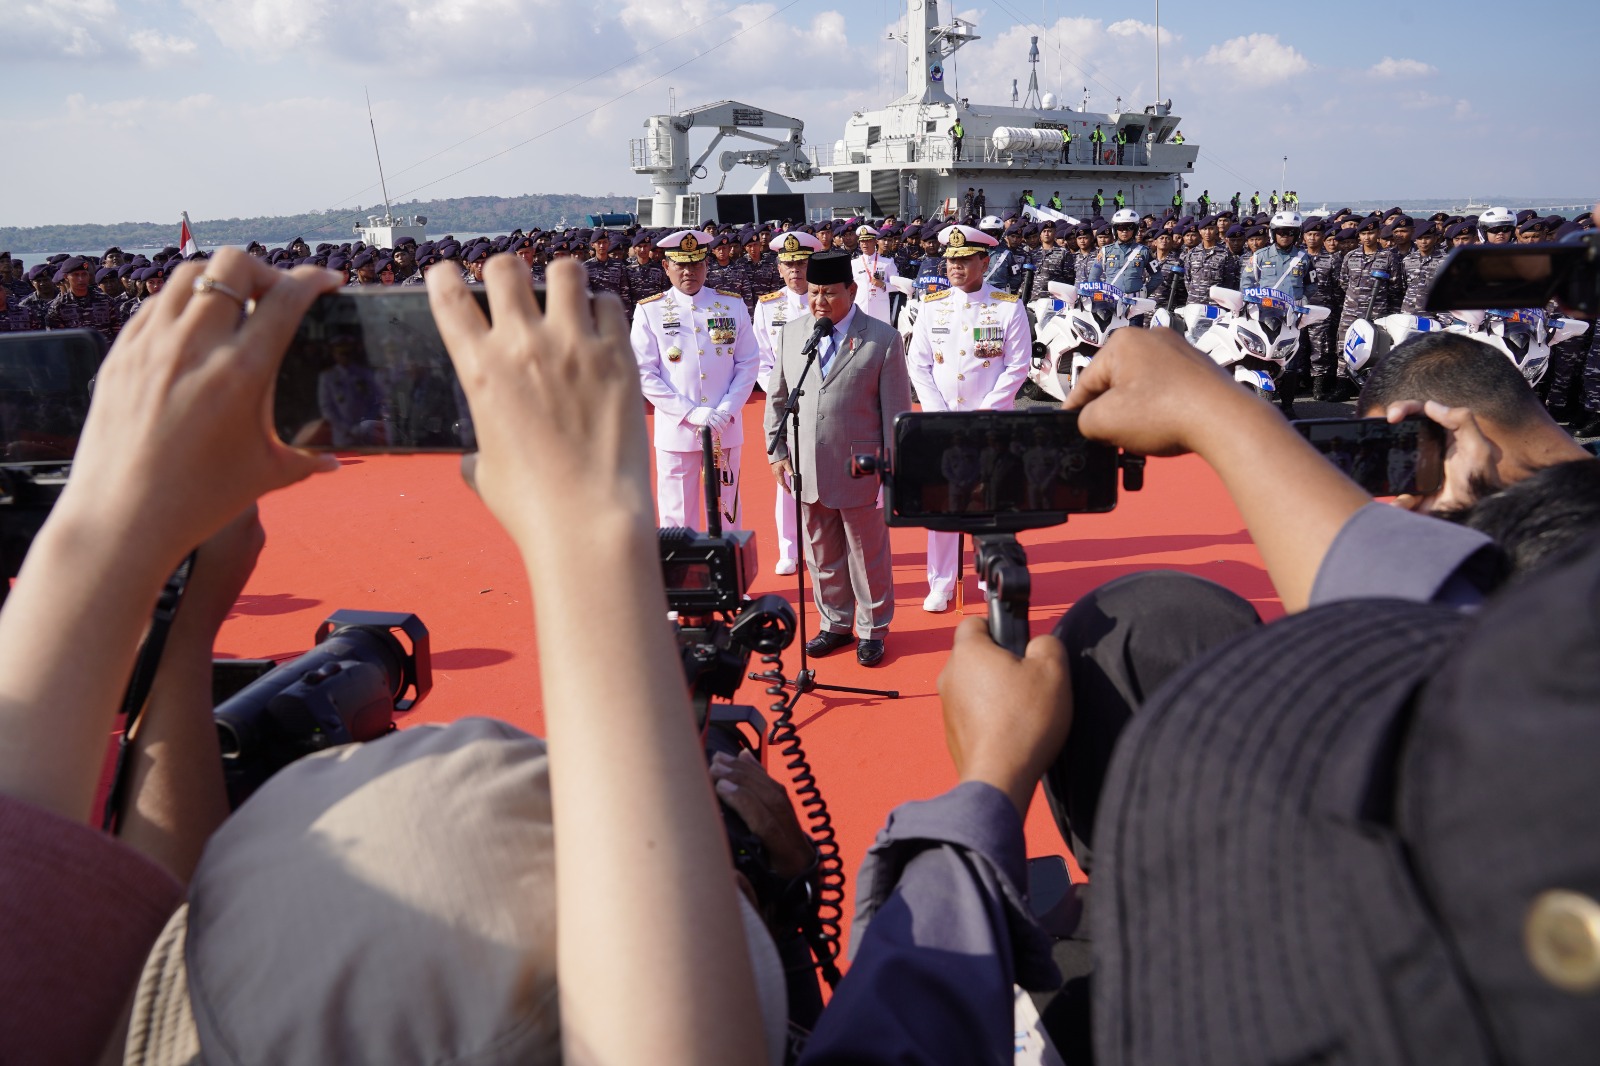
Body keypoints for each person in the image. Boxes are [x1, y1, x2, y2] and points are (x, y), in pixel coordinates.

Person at [762, 251, 912, 667]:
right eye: (813, 293)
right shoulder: (794, 334)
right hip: (806, 462)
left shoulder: (881, 338)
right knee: (820, 551)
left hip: (861, 464)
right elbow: (777, 398)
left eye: (829, 293)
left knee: (867, 553)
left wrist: (889, 469)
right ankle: (835, 623)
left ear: (852, 290)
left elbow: (896, 412)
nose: (819, 302)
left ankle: (872, 629)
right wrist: (776, 453)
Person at [905, 225, 1032, 613]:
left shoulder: (1008, 306)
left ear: (984, 261)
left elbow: (1018, 366)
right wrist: (938, 414)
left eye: (963, 260)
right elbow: (919, 365)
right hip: (943, 424)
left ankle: (989, 576)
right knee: (942, 502)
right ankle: (940, 584)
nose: (954, 266)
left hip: (990, 426)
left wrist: (984, 412)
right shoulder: (931, 305)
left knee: (989, 504)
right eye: (950, 259)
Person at [631, 230, 759, 530]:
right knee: (677, 518)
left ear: (706, 265)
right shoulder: (650, 310)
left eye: (696, 264)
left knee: (727, 513)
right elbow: (643, 371)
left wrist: (726, 410)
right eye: (681, 265)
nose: (689, 272)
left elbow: (748, 362)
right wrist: (689, 412)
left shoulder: (731, 305)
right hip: (678, 429)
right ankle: (683, 575)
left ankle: (727, 574)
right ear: (666, 267)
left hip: (723, 425)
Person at [754, 230, 822, 575]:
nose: (795, 270)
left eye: (801, 263)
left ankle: (817, 546)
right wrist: (780, 393)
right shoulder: (767, 306)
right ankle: (789, 549)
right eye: (788, 264)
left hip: (822, 400)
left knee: (819, 472)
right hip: (784, 402)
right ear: (779, 268)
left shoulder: (828, 301)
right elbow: (760, 358)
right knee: (785, 473)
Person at [850, 225, 892, 323]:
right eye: (862, 241)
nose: (865, 244)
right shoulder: (853, 263)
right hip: (860, 309)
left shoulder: (887, 262)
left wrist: (884, 285)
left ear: (875, 242)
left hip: (880, 311)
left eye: (868, 240)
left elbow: (897, 285)